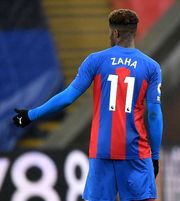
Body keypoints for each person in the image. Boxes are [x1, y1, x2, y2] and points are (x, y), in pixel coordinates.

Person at [12, 9, 163, 201]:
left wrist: (30, 115)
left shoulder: (96, 60)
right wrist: (155, 155)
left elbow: (67, 97)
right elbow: (154, 115)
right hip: (135, 152)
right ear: (133, 32)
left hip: (102, 150)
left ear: (115, 32)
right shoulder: (151, 66)